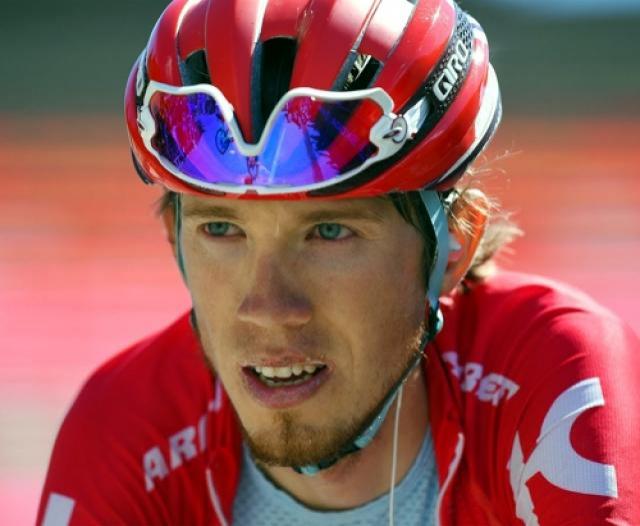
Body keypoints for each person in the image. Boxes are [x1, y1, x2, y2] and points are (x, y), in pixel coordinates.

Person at [37, 0, 640, 524]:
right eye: (221, 229)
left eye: (329, 232)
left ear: (453, 245)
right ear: (174, 240)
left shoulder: (560, 377)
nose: (268, 309)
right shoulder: (122, 428)